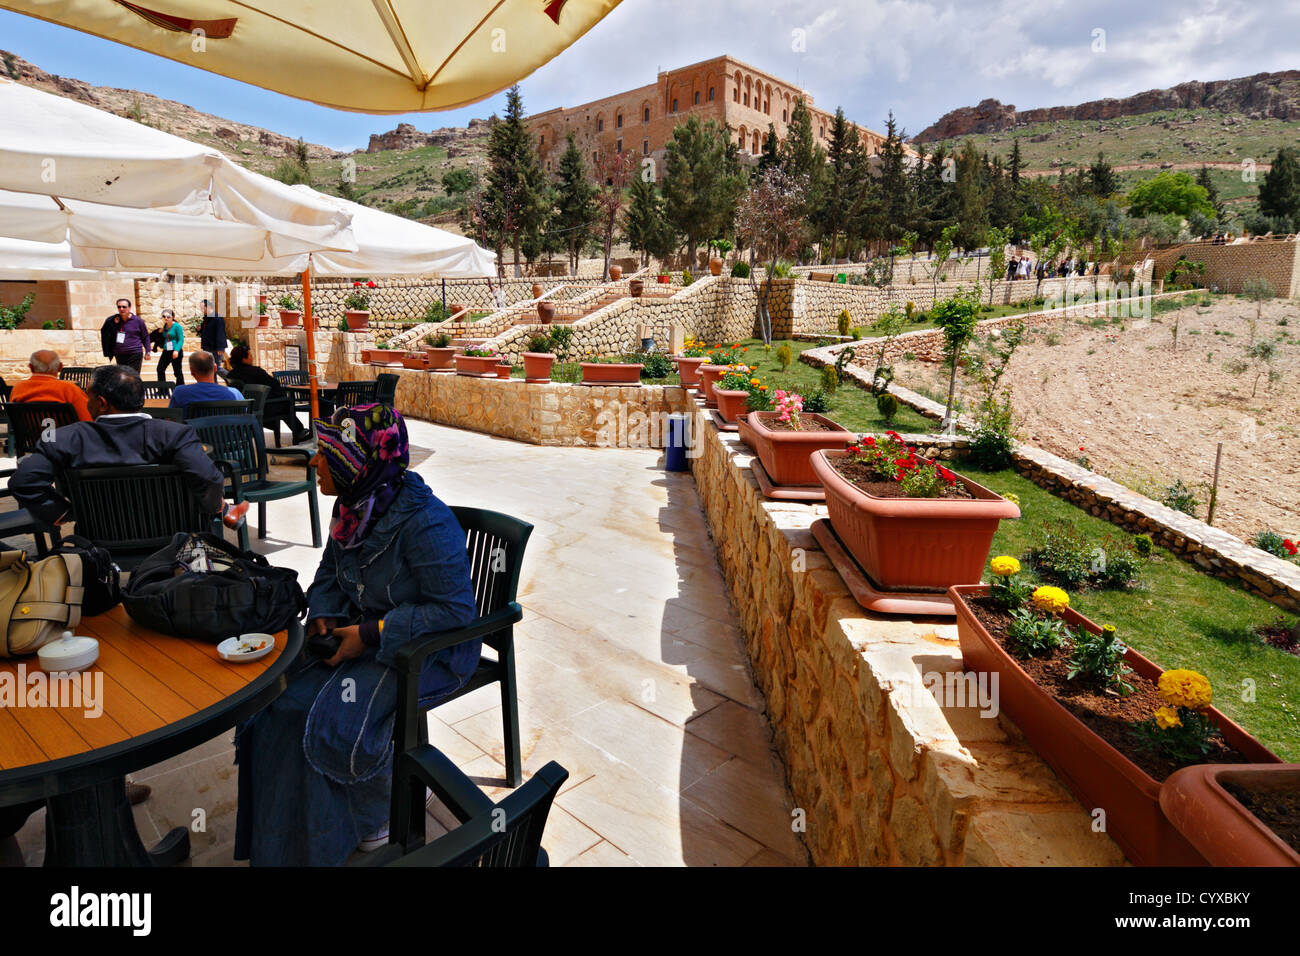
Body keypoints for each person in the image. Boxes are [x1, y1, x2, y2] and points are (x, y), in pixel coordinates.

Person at [233, 404, 478, 866]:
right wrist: (325, 613)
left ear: (356, 462)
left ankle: (378, 810)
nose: (314, 463)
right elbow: (329, 570)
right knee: (269, 700)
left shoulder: (424, 522)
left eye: (325, 455)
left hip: (428, 651)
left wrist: (368, 634)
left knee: (317, 716)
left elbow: (454, 611)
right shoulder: (353, 508)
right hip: (363, 630)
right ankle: (285, 839)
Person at [10, 364, 247, 532]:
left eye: (88, 396)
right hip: (171, 538)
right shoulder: (174, 433)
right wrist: (218, 506)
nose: (86, 401)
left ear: (101, 403)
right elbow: (209, 479)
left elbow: (24, 481)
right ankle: (227, 511)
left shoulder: (61, 438)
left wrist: (66, 512)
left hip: (99, 540)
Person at [226, 345, 310, 444]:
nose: (252, 357)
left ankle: (298, 431)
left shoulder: (231, 375)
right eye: (250, 355)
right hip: (264, 409)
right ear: (244, 359)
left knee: (283, 402)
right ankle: (299, 431)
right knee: (286, 403)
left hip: (248, 410)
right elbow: (275, 384)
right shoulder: (256, 372)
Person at [10, 350, 91, 421]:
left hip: (30, 438)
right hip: (64, 437)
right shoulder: (69, 389)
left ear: (31, 367)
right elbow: (88, 420)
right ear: (60, 367)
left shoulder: (18, 389)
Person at [169, 351, 242, 412]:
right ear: (215, 368)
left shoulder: (180, 393)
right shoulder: (235, 394)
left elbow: (172, 418)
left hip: (192, 429)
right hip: (226, 429)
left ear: (191, 371)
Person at [100, 298, 150, 372]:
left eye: (124, 307)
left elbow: (145, 337)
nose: (121, 309)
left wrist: (148, 351)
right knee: (123, 378)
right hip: (119, 355)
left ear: (129, 307)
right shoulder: (113, 321)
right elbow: (105, 332)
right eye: (119, 307)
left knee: (133, 377)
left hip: (134, 353)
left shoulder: (138, 321)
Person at [198, 300, 229, 380]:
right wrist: (200, 329)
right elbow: (208, 331)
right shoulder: (207, 318)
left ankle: (233, 378)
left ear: (208, 307)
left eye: (202, 308)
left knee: (216, 368)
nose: (201, 310)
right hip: (207, 347)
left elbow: (220, 333)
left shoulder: (217, 318)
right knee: (211, 369)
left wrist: (220, 348)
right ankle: (214, 385)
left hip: (215, 348)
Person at [156, 309, 185, 384]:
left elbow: (181, 339)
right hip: (166, 351)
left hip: (175, 351)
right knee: (160, 369)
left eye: (168, 316)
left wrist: (176, 350)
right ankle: (162, 390)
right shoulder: (165, 326)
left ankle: (180, 388)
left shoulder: (177, 326)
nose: (166, 318)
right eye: (164, 316)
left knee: (177, 372)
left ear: (172, 317)